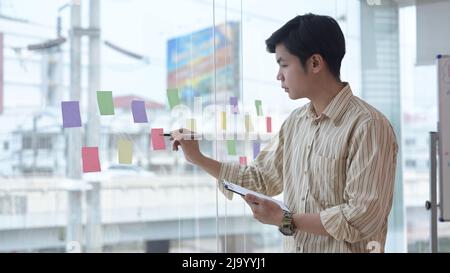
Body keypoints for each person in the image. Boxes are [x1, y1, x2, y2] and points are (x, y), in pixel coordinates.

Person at [170, 13, 398, 253]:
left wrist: (287, 219)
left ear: (315, 63)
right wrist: (198, 157)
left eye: (284, 64)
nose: (278, 75)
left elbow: (361, 217)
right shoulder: (295, 123)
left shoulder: (368, 125)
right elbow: (259, 179)